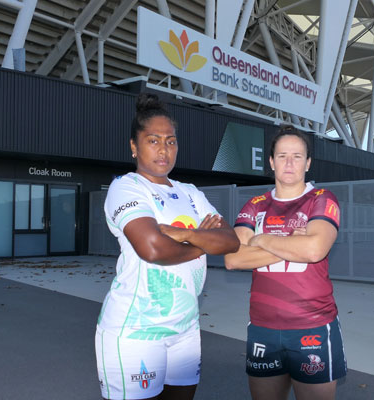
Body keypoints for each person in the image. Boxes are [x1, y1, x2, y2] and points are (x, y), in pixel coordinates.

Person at [97, 93, 240, 400]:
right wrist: (202, 241)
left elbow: (230, 241)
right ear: (134, 147)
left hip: (185, 328)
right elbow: (153, 249)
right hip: (136, 330)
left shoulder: (189, 192)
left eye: (171, 141)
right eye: (153, 140)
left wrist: (176, 232)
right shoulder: (126, 187)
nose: (164, 149)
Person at [224, 126, 346, 400]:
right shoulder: (255, 204)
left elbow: (315, 249)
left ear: (308, 163)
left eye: (297, 156)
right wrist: (292, 243)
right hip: (263, 327)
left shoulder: (321, 199)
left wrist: (260, 239)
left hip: (312, 325)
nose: (289, 163)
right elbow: (232, 258)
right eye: (282, 156)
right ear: (271, 162)